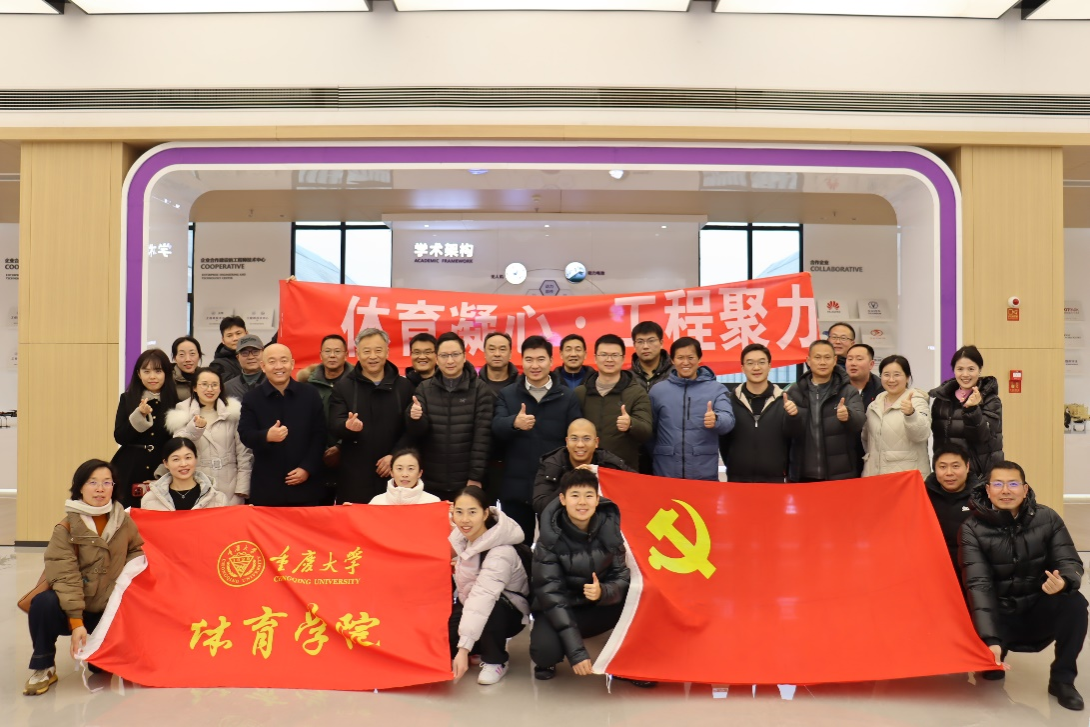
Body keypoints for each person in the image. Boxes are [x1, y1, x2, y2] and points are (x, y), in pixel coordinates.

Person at [960, 461, 1087, 710]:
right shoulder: (971, 529)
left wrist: (1064, 581)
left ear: (1025, 489)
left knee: (1075, 603)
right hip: (1000, 614)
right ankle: (997, 651)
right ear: (988, 490)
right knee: (990, 675)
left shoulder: (1047, 518)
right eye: (998, 484)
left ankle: (1062, 680)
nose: (1006, 490)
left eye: (1013, 484)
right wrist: (990, 638)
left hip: (1037, 607)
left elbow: (1069, 560)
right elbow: (979, 584)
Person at [23, 460, 144, 696]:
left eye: (107, 483)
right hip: (73, 608)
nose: (100, 489)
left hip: (107, 609)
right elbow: (65, 577)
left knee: (100, 670)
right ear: (80, 487)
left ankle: (101, 651)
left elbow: (136, 551)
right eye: (93, 482)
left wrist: (126, 577)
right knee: (43, 603)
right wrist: (77, 623)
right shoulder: (66, 528)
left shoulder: (124, 521)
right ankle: (44, 665)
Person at [531, 469, 649, 686]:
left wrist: (604, 591)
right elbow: (552, 598)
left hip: (597, 605)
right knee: (544, 652)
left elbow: (621, 575)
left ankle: (627, 662)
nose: (582, 502)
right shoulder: (548, 540)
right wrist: (577, 653)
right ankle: (556, 650)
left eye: (588, 495)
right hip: (560, 608)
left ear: (597, 499)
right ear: (563, 499)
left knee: (642, 596)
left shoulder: (610, 527)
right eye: (575, 495)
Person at [492, 335, 582, 542]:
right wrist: (514, 423)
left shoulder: (567, 397)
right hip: (516, 487)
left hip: (555, 487)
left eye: (541, 359)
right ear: (521, 361)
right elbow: (496, 427)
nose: (535, 365)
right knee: (516, 546)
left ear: (551, 361)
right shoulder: (508, 394)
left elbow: (575, 436)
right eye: (529, 359)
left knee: (556, 544)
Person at [449, 485, 530, 685]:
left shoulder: (501, 552)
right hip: (471, 603)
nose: (465, 519)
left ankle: (496, 660)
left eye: (472, 512)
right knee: (446, 640)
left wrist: (463, 649)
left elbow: (483, 597)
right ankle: (478, 646)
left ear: (485, 513)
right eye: (459, 512)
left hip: (507, 611)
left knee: (492, 608)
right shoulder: (462, 539)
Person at [329, 328, 415, 504]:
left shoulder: (404, 386)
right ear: (358, 354)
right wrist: (347, 426)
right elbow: (334, 424)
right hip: (355, 475)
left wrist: (395, 456)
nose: (373, 356)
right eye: (367, 351)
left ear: (387, 352)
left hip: (396, 474)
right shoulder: (343, 387)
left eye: (378, 350)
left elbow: (411, 430)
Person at [406, 332, 495, 500]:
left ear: (464, 356)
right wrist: (415, 418)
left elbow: (482, 438)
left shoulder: (480, 390)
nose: (450, 361)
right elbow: (417, 433)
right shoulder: (424, 389)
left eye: (455, 354)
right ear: (437, 359)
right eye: (444, 356)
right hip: (430, 480)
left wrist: (475, 477)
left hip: (466, 481)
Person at [238, 343, 327, 507]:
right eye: (272, 362)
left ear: (292, 364)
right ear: (263, 366)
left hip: (306, 487)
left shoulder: (310, 394)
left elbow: (320, 435)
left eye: (284, 361)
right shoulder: (252, 398)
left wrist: (307, 468)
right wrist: (266, 436)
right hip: (267, 488)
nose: (279, 366)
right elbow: (245, 434)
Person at [648, 337, 734, 481]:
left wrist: (717, 419)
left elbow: (729, 420)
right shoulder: (658, 391)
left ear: (699, 359)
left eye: (690, 357)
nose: (686, 362)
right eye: (680, 358)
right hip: (666, 473)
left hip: (703, 473)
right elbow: (650, 431)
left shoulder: (716, 389)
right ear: (672, 360)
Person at [165, 367, 252, 505]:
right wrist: (196, 429)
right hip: (197, 483)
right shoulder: (182, 411)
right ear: (194, 387)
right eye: (204, 384)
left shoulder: (233, 412)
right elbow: (179, 447)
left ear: (221, 388)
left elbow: (244, 454)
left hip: (230, 485)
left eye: (214, 385)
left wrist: (242, 487)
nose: (209, 389)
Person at [784, 340, 866, 482]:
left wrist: (848, 416)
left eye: (827, 357)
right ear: (808, 361)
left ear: (834, 360)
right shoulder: (795, 391)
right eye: (817, 357)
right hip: (802, 474)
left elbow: (860, 422)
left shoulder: (847, 391)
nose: (822, 362)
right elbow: (786, 432)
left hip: (840, 474)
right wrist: (792, 417)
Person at [111, 348, 179, 508]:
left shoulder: (176, 403)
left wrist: (165, 471)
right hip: (129, 467)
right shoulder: (128, 399)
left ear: (166, 374)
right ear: (138, 374)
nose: (152, 376)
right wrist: (139, 416)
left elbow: (176, 442)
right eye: (146, 371)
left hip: (161, 468)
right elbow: (120, 437)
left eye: (158, 371)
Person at [574, 334, 652, 471]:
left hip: (623, 470)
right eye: (604, 355)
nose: (609, 360)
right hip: (585, 470)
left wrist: (631, 424)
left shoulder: (636, 393)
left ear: (623, 358)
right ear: (595, 357)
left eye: (615, 355)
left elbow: (646, 431)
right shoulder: (580, 393)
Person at [719, 343, 791, 483]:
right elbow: (724, 442)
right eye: (750, 363)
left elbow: (791, 440)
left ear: (769, 366)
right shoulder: (730, 401)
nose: (756, 368)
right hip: (737, 480)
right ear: (742, 368)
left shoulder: (784, 401)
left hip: (774, 480)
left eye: (761, 362)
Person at [930, 345, 1004, 477]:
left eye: (971, 369)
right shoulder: (942, 400)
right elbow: (938, 440)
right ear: (954, 370)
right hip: (948, 474)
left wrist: (973, 409)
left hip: (978, 476)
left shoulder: (990, 400)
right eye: (960, 369)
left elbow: (983, 438)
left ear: (979, 370)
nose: (965, 374)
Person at [532, 419, 633, 515]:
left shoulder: (610, 464)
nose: (580, 445)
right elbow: (541, 506)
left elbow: (637, 488)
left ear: (596, 442)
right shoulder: (552, 465)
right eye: (574, 438)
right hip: (561, 524)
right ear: (567, 442)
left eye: (586, 439)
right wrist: (570, 480)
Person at [861, 355, 932, 477]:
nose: (891, 379)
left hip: (906, 477)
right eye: (886, 375)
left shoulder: (916, 401)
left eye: (897, 375)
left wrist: (911, 414)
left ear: (907, 377)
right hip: (874, 475)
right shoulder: (874, 405)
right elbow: (866, 440)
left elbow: (921, 435)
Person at [300, 334, 350, 504]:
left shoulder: (356, 383)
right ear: (321, 355)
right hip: (316, 459)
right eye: (328, 351)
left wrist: (340, 447)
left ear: (346, 354)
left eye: (337, 351)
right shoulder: (307, 384)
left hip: (349, 456)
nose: (332, 355)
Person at [925, 442, 980, 577]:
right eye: (942, 467)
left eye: (955, 466)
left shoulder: (981, 498)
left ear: (967, 467)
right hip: (934, 571)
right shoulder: (923, 496)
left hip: (971, 571)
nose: (949, 473)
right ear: (934, 469)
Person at [141, 437, 229, 511]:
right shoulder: (150, 500)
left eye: (188, 457)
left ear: (196, 459)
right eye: (176, 459)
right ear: (166, 463)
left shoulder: (218, 499)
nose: (183, 464)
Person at [845, 343, 882, 474]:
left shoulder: (882, 391)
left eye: (859, 359)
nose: (853, 363)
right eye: (850, 359)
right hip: (844, 459)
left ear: (871, 364)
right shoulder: (837, 390)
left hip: (875, 459)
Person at [368, 448, 440, 505]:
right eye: (399, 468)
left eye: (410, 469)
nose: (405, 474)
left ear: (420, 473)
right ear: (391, 472)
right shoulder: (377, 502)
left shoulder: (433, 502)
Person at [628, 320, 673, 391]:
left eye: (651, 341)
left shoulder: (675, 373)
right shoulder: (627, 377)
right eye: (640, 341)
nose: (645, 346)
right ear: (634, 345)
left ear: (661, 343)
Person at [224, 334, 266, 401]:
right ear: (238, 357)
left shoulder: (274, 382)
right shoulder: (228, 388)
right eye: (245, 353)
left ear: (264, 353)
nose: (251, 357)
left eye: (255, 352)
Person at [479, 331, 518, 395]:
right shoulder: (474, 385)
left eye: (502, 349)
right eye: (492, 349)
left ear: (510, 354)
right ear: (485, 353)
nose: (497, 354)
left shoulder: (521, 385)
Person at [210, 315, 247, 383]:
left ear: (246, 334)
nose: (235, 338)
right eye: (229, 335)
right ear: (223, 340)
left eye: (238, 333)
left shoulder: (259, 356)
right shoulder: (218, 365)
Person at [170, 335, 203, 401]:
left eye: (192, 353)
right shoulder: (168, 379)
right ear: (175, 358)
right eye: (182, 354)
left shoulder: (206, 376)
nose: (188, 359)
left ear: (199, 356)